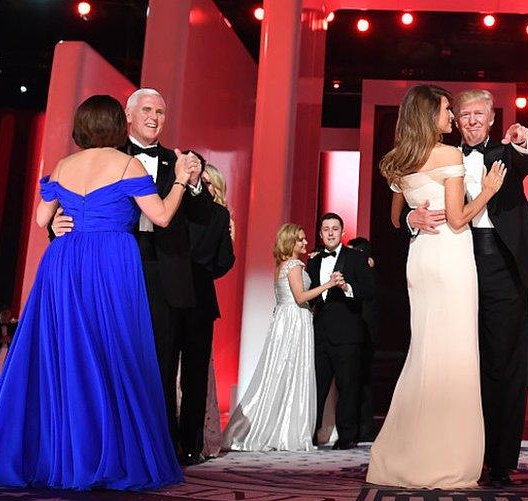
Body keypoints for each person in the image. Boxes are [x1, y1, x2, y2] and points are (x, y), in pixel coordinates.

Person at [0, 94, 190, 489]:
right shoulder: (127, 163)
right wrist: (180, 179)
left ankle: (63, 452)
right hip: (111, 261)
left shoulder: (63, 165)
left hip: (64, 262)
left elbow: (42, 218)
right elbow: (162, 216)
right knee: (113, 352)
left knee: (65, 355)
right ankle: (107, 454)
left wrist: (63, 220)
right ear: (119, 124)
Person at [402, 89, 528, 486]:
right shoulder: (445, 156)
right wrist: (410, 218)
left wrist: (523, 140)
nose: (471, 120)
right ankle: (465, 452)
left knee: (505, 362)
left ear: (492, 119)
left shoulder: (507, 152)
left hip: (503, 266)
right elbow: (414, 195)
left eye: (479, 114)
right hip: (458, 262)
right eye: (464, 114)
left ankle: (501, 459)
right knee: (464, 361)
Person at [53, 88, 215, 465]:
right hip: (107, 270)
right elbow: (69, 207)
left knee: (156, 363)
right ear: (128, 116)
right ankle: (99, 443)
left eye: (161, 111)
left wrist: (189, 182)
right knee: (103, 356)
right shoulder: (102, 155)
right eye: (147, 110)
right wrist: (56, 226)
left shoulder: (180, 161)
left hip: (162, 275)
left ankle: (154, 449)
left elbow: (205, 217)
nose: (155, 117)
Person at [368, 84, 505, 488]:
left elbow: (396, 219)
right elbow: (459, 219)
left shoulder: (398, 160)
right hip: (449, 257)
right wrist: (490, 192)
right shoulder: (448, 154)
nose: (452, 117)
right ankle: (445, 455)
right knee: (456, 355)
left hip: (420, 259)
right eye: (448, 110)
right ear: (430, 115)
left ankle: (406, 451)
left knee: (425, 352)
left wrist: (412, 219)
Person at [223, 223, 338, 451]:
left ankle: (279, 427)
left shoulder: (282, 265)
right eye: (301, 239)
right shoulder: (294, 265)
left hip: (286, 320)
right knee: (292, 372)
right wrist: (329, 284)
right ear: (290, 242)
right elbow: (299, 296)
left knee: (281, 373)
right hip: (294, 321)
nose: (306, 242)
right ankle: (286, 431)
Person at [306, 213, 376, 450]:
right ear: (320, 233)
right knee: (316, 386)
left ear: (342, 232)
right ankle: (310, 434)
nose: (330, 233)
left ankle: (347, 437)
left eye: (335, 228)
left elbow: (370, 290)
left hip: (347, 333)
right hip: (319, 333)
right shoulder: (313, 262)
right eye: (326, 229)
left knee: (348, 387)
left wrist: (347, 287)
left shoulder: (356, 258)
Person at [189, 163, 235, 459]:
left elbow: (223, 263)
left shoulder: (220, 219)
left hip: (201, 299)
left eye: (208, 184)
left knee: (196, 373)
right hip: (170, 294)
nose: (203, 187)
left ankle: (195, 440)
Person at [347, 236, 379, 442]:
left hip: (365, 336)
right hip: (354, 335)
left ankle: (364, 428)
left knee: (363, 383)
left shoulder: (367, 277)